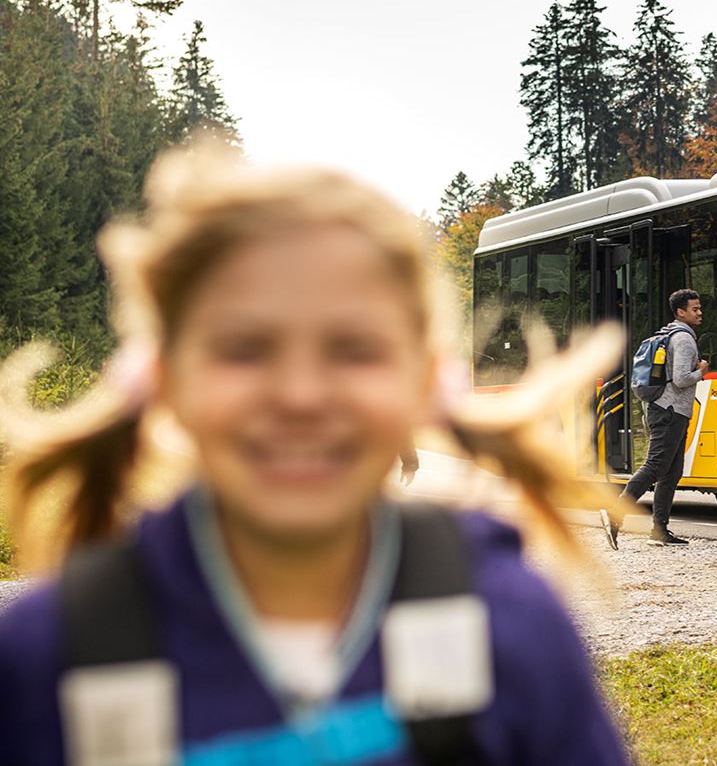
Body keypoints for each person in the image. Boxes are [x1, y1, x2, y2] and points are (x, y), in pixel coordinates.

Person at [0, 144, 629, 764]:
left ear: (424, 382)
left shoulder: (509, 627)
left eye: (353, 349)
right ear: (163, 379)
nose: (300, 396)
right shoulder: (46, 659)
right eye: (245, 348)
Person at [606, 288, 707, 547]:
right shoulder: (683, 339)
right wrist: (702, 371)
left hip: (670, 409)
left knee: (671, 472)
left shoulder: (669, 334)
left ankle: (659, 530)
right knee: (655, 466)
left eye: (699, 308)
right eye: (694, 309)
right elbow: (683, 378)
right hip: (670, 411)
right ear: (680, 312)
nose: (699, 312)